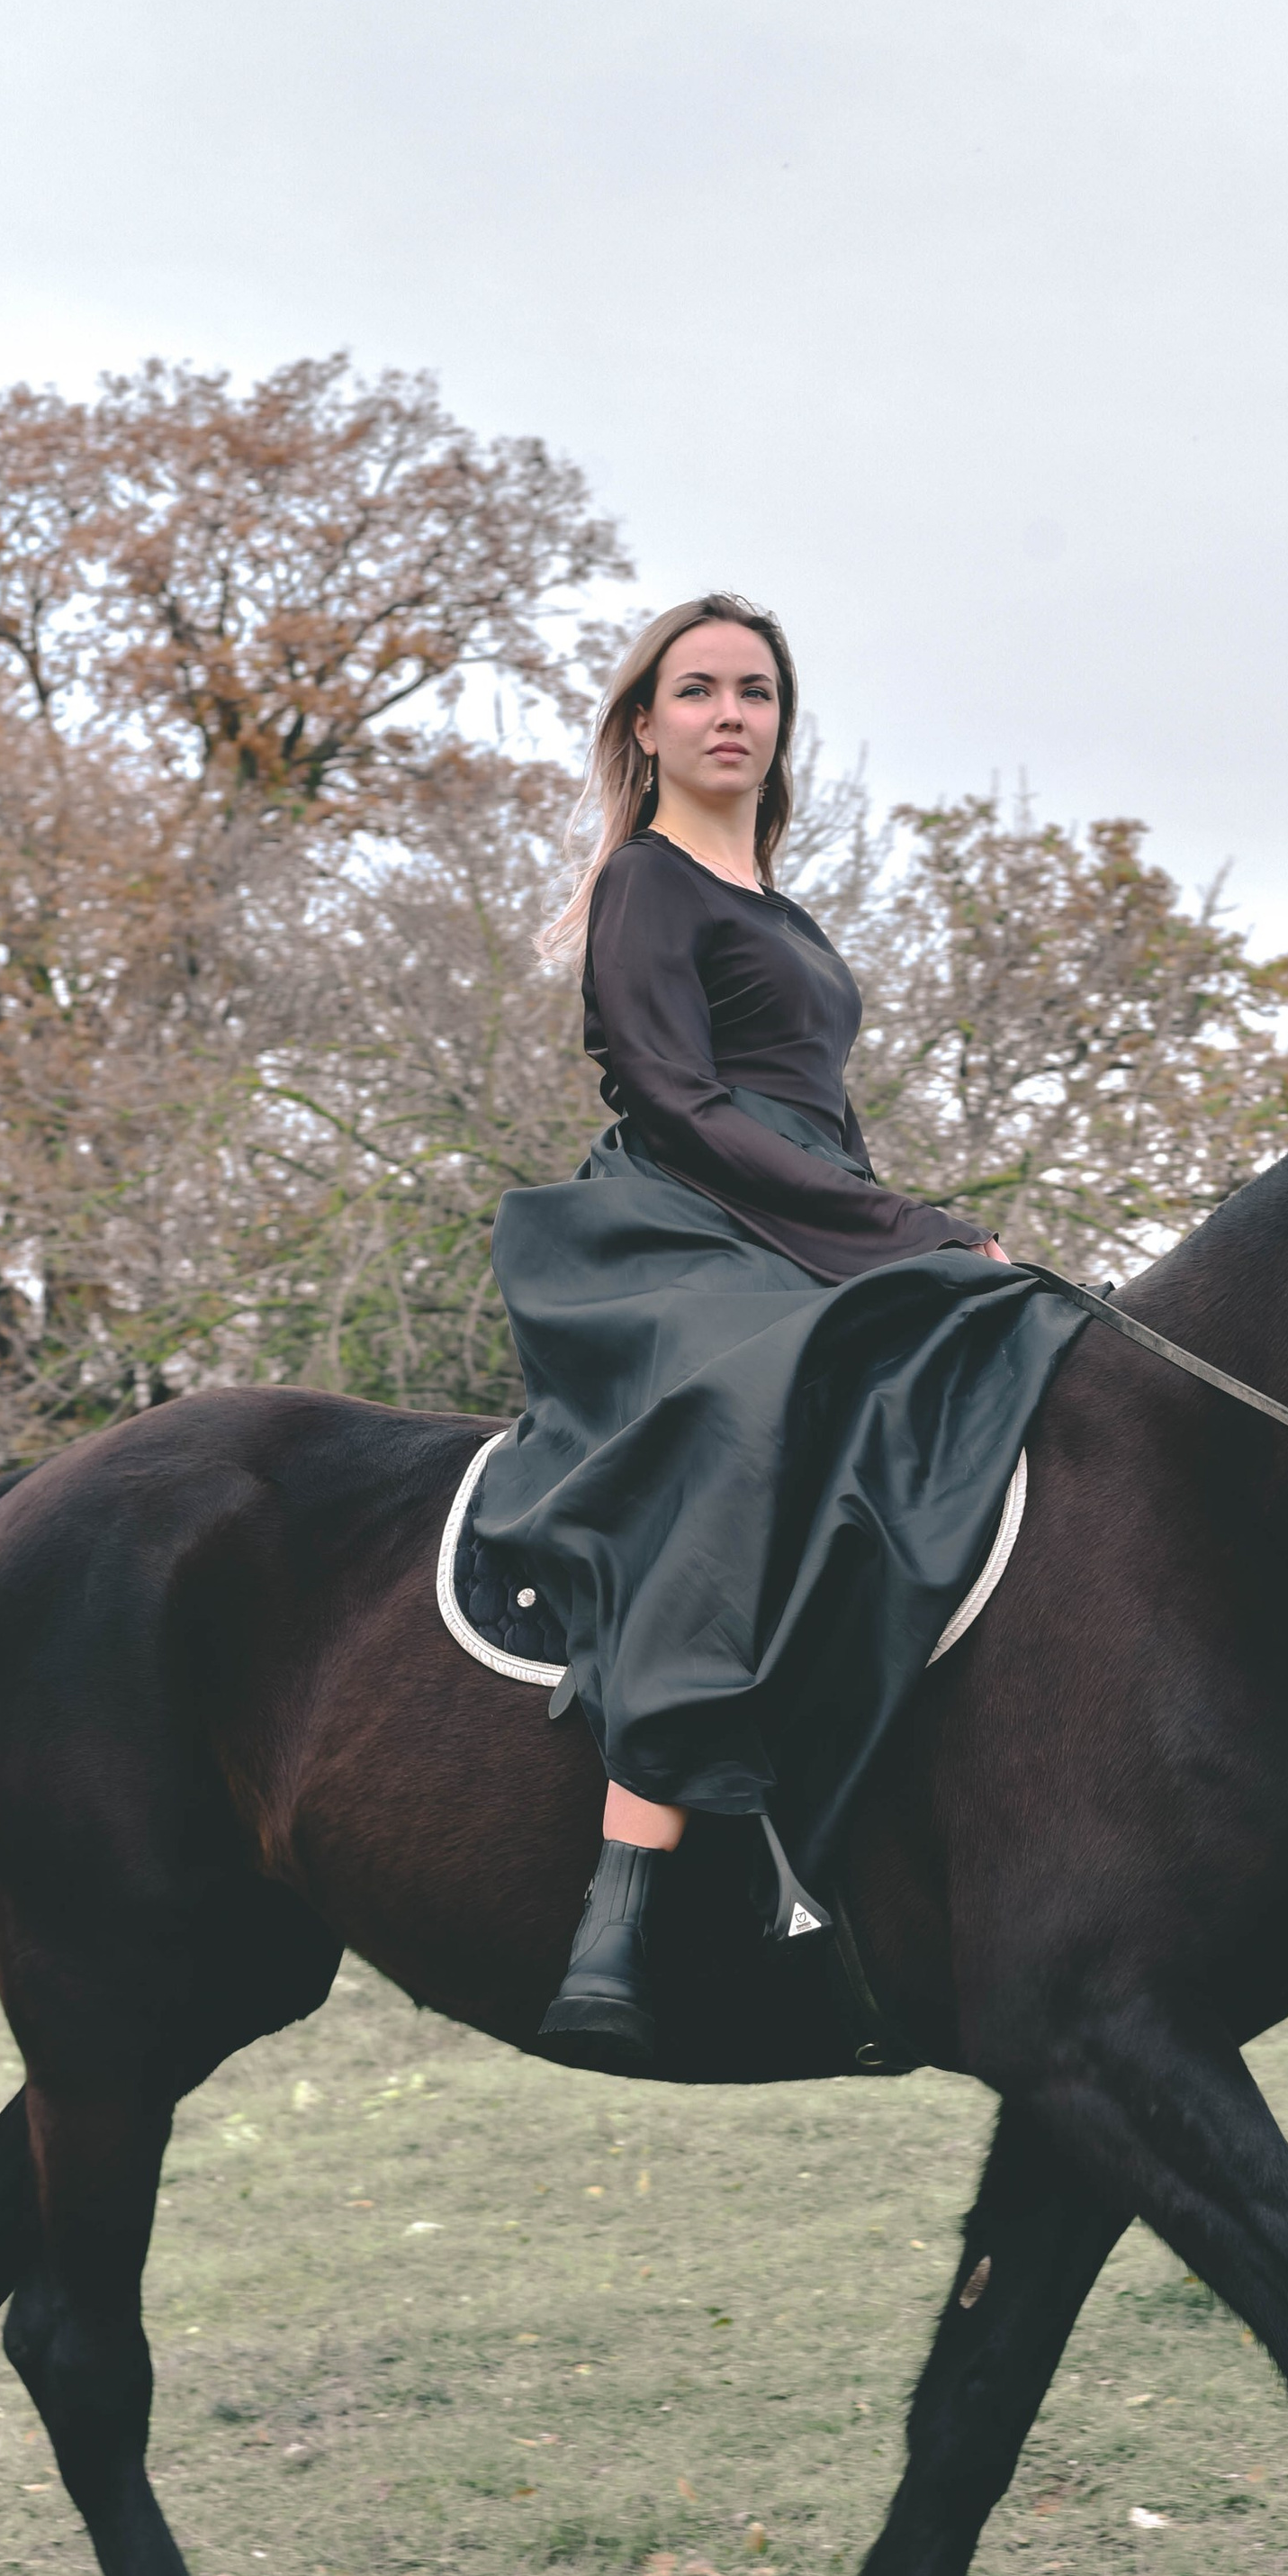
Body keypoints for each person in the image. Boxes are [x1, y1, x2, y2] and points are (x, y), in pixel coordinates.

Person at [473, 593, 1083, 2067]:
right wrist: (901, 1229)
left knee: (995, 1363)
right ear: (646, 725)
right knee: (750, 1410)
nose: (730, 713)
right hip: (673, 1224)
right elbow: (682, 1102)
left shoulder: (784, 914)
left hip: (799, 1211)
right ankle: (621, 1900)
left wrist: (909, 1235)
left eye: (755, 690)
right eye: (698, 690)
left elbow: (820, 1117)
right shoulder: (647, 883)